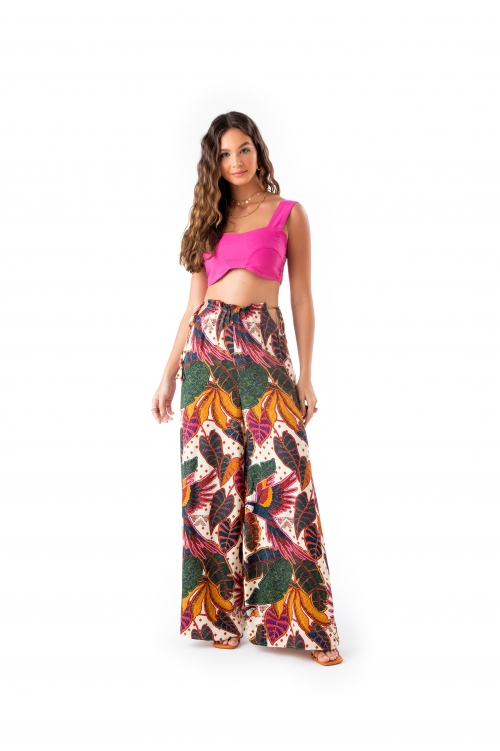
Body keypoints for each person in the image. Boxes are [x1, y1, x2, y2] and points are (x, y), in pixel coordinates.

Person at [151, 112, 342, 666]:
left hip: (265, 344)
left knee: (284, 479)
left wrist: (306, 374)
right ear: (215, 163)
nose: (235, 162)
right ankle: (219, 616)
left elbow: (301, 297)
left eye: (243, 149)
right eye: (225, 154)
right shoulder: (208, 219)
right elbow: (193, 306)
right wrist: (167, 374)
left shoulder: (289, 214)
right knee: (209, 482)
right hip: (206, 351)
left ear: (258, 150)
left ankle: (306, 625)